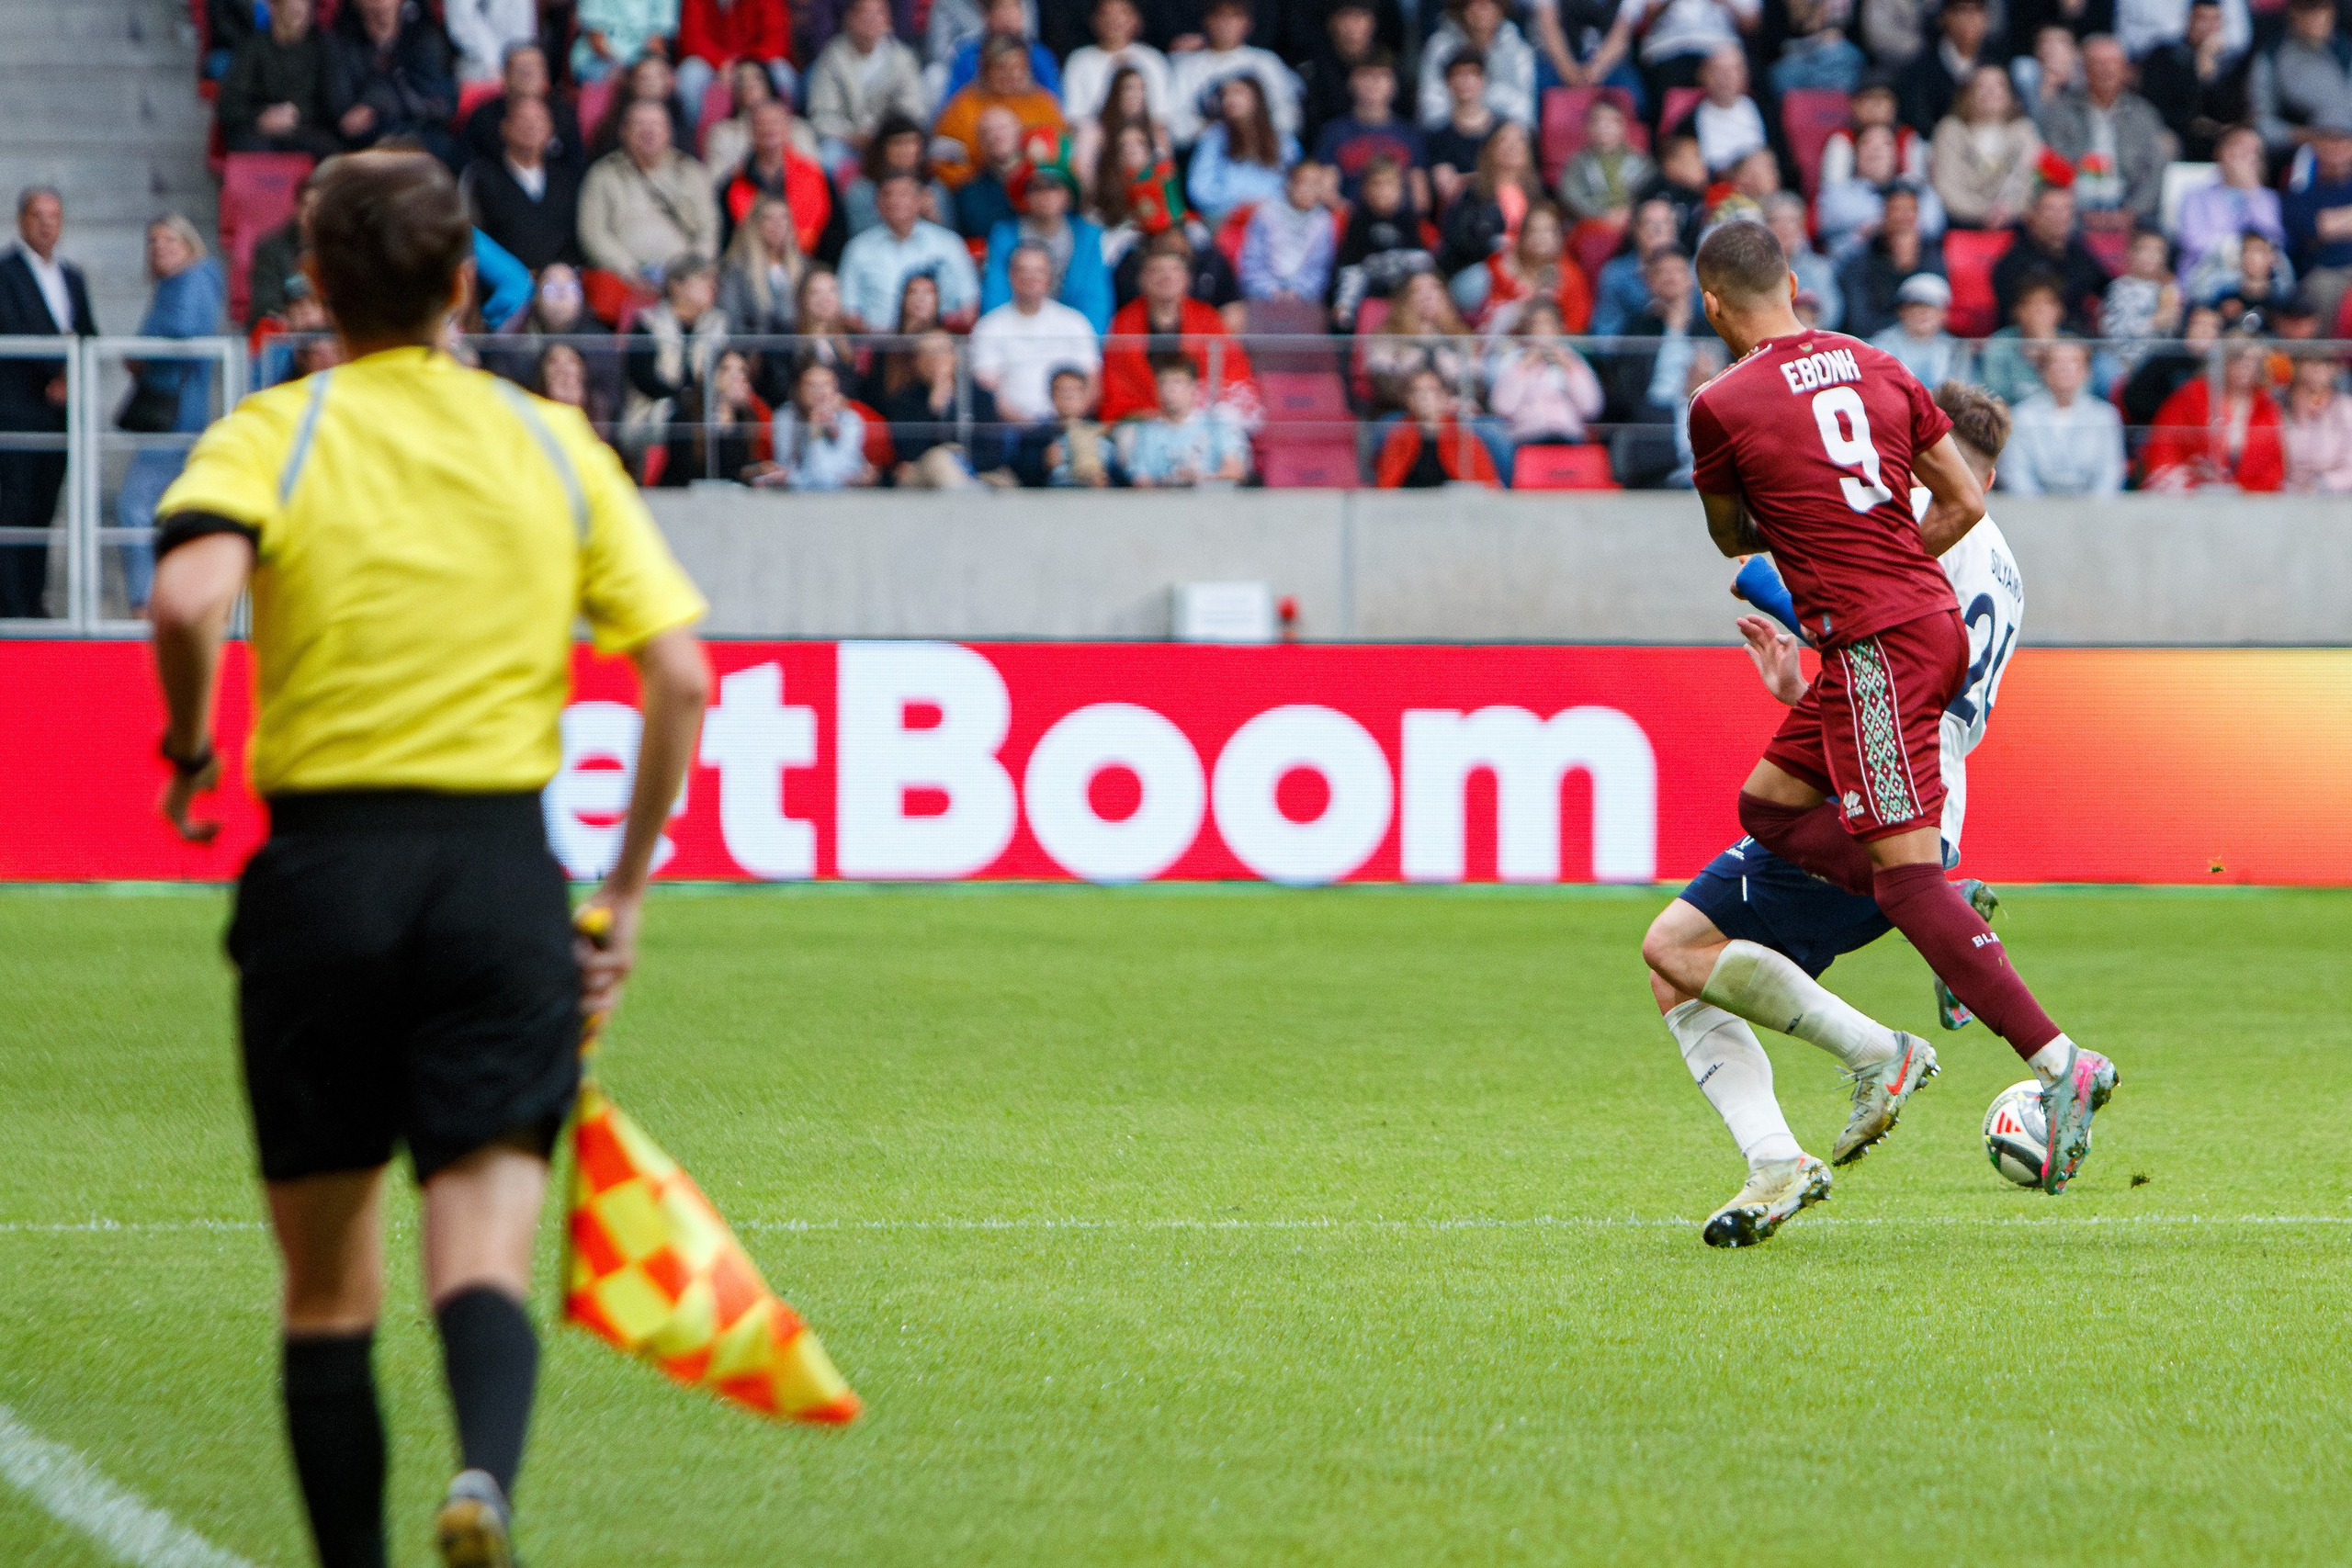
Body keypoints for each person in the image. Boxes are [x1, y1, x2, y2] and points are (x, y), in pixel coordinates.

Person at [145, 148, 708, 1567]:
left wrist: (190, 747)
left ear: (315, 287)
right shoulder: (552, 443)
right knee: (483, 1254)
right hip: (496, 880)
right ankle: (482, 1476)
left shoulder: (274, 429)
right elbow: (682, 676)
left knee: (329, 1288)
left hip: (325, 874)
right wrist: (625, 890)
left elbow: (187, 596)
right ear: (468, 284)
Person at [1683, 218, 2116, 1213]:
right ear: (1794, 281)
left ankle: (2056, 1056)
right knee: (1764, 803)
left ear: (1712, 305)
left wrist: (1832, 553)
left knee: (1872, 888)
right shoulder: (1879, 369)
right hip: (1900, 673)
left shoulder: (1725, 404)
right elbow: (1955, 504)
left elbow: (1731, 543)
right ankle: (1942, 922)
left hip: (1883, 657)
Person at [1644, 380, 2025, 1245]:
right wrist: (1801, 684)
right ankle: (1777, 1157)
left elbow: (1880, 633)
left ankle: (1877, 1055)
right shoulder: (2001, 562)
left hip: (1879, 797)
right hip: (1923, 793)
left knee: (1675, 948)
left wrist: (1778, 596)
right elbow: (1899, 662)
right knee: (1682, 962)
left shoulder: (1928, 524)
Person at [111, 218, 224, 616]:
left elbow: (182, 333)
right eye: (153, 240)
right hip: (174, 417)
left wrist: (141, 350)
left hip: (177, 419)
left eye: (170, 239)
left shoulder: (193, 279)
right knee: (168, 512)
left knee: (135, 507)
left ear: (190, 243)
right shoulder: (175, 286)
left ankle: (147, 606)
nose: (160, 247)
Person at [0, 187, 96, 621]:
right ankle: (12, 603)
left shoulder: (72, 276)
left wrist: (70, 376)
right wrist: (59, 372)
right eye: (38, 215)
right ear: (21, 220)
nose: (46, 224)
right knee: (14, 508)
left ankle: (32, 601)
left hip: (59, 416)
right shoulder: (4, 273)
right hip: (18, 413)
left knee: (44, 508)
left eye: (54, 215)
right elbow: (13, 327)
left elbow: (88, 332)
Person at [1099, 235, 1259, 423]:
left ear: (1187, 278)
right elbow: (1117, 383)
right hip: (1143, 418)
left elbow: (1231, 369)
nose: (1166, 277)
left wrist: (1188, 409)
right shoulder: (1124, 323)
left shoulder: (1207, 317)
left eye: (1175, 269)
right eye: (1156, 270)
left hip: (1199, 417)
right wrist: (1154, 414)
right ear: (1141, 280)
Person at [580, 98, 720, 287]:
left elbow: (709, 229)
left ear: (669, 132)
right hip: (623, 279)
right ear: (624, 132)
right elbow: (594, 234)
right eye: (639, 124)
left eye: (656, 124)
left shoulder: (690, 171)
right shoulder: (602, 174)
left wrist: (690, 271)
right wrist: (629, 270)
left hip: (686, 281)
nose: (648, 131)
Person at [2035, 34, 2176, 222]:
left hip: (2130, 214)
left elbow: (2153, 172)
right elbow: (2051, 163)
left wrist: (2131, 213)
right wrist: (2072, 209)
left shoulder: (2143, 115)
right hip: (2072, 213)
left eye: (2113, 63)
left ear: (2126, 70)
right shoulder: (2060, 111)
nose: (2106, 70)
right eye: (2098, 63)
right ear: (2084, 69)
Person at [972, 242, 1103, 423]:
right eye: (1023, 270)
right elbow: (989, 391)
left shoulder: (1075, 322)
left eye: (1038, 271)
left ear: (1050, 276)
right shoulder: (989, 326)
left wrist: (1065, 424)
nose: (1030, 278)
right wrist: (1029, 428)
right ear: (1010, 275)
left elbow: (1092, 383)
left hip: (1071, 427)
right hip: (1013, 434)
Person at [2142, 330, 2285, 489]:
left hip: (2250, 501)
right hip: (2194, 495)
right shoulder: (2192, 395)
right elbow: (2164, 443)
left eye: (2252, 361)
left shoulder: (2267, 407)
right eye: (2237, 358)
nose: (2245, 366)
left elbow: (2274, 464)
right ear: (2223, 362)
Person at [836, 171, 983, 327]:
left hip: (941, 343)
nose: (895, 201)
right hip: (878, 346)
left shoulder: (948, 244)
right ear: (877, 203)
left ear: (919, 200)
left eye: (903, 194)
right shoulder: (858, 249)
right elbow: (848, 311)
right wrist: (887, 344)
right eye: (888, 195)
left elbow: (969, 305)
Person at [981, 160, 1114, 329]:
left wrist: (1084, 344)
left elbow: (1095, 301)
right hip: (1016, 335)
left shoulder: (1087, 237)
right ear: (1025, 195)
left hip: (1071, 337)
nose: (1046, 194)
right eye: (1036, 188)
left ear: (1068, 194)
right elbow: (995, 294)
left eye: (1054, 186)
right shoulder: (1003, 236)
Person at [624, 255, 731, 457]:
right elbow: (643, 378)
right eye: (703, 278)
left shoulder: (719, 325)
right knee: (684, 420)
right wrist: (683, 400)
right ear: (676, 286)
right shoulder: (648, 323)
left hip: (706, 408)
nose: (712, 285)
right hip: (652, 412)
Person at [464, 96, 583, 271]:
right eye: (522, 119)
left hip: (560, 284)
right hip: (504, 282)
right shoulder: (481, 176)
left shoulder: (566, 178)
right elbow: (473, 237)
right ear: (504, 128)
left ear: (550, 130)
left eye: (538, 120)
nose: (530, 126)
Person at [331, 0, 458, 164]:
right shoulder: (341, 43)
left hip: (422, 135)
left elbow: (441, 104)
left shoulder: (424, 38)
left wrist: (376, 103)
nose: (380, 4)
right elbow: (345, 115)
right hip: (364, 143)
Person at [933, 36, 1069, 190]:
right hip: (982, 191)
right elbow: (942, 160)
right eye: (1000, 67)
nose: (1010, 74)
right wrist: (974, 183)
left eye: (1017, 67)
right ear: (985, 69)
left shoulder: (1043, 104)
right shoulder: (963, 106)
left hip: (1036, 189)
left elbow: (1064, 152)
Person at [807, 0, 929, 169]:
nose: (871, 20)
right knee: (828, 155)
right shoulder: (831, 59)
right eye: (864, 14)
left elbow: (912, 110)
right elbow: (822, 115)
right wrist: (853, 136)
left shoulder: (903, 59)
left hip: (889, 141)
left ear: (888, 20)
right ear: (849, 19)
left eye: (879, 13)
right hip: (847, 142)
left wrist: (882, 135)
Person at [884, 327, 1012, 486]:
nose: (935, 360)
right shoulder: (904, 400)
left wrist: (961, 458)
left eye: (940, 352)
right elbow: (910, 453)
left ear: (954, 356)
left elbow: (992, 451)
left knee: (1007, 482)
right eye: (927, 354)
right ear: (917, 362)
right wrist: (934, 411)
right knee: (940, 461)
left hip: (975, 471)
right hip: (927, 473)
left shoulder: (979, 396)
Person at [1166, 0, 1301, 149]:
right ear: (1206, 21)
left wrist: (1250, 130)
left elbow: (1289, 116)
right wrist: (1218, 132)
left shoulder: (1266, 62)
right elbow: (1175, 123)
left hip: (1262, 151)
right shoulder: (1187, 66)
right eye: (1219, 17)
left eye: (1234, 17)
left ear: (1247, 23)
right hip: (1204, 150)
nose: (1226, 24)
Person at [218, 0, 343, 156]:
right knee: (253, 151)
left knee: (328, 150)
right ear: (273, 8)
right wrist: (260, 118)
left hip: (305, 127)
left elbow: (333, 102)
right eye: (292, 13)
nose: (299, 18)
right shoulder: (252, 47)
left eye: (303, 12)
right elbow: (230, 102)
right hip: (257, 129)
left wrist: (295, 114)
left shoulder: (321, 46)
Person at [2001, 337, 2123, 494]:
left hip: (2094, 512)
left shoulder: (2105, 416)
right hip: (2034, 512)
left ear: (2086, 371)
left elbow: (2110, 474)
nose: (2065, 368)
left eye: (2074, 362)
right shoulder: (2022, 415)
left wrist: (2093, 514)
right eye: (2057, 362)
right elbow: (2016, 473)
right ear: (2043, 371)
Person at [1311, 50, 1430, 208]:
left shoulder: (1410, 134)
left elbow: (1420, 199)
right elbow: (1326, 192)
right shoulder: (1334, 132)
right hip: (1349, 222)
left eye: (1382, 76)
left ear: (1394, 84)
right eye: (1366, 75)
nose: (1374, 82)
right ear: (1351, 81)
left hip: (1399, 222)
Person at [1930, 65, 2041, 232]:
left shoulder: (2024, 132)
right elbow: (1947, 187)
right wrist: (1984, 213)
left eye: (1999, 85)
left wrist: (2011, 209)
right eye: (1981, 86)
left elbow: (2029, 181)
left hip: (2016, 226)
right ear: (1967, 94)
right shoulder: (1950, 131)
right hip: (1960, 226)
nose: (1991, 91)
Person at [2137, 0, 2252, 163]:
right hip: (2174, 132)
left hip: (2217, 138)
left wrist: (2208, 75)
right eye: (2203, 19)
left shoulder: (2231, 63)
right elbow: (2155, 105)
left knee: (2245, 143)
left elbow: (2229, 113)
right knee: (2163, 144)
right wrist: (2195, 70)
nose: (2209, 27)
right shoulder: (2164, 55)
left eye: (2215, 20)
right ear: (2189, 20)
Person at [716, 98, 835, 254]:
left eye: (775, 122)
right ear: (751, 131)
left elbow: (831, 237)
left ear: (788, 128)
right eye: (761, 123)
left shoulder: (815, 176)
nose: (769, 129)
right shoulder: (733, 185)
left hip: (808, 261)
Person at [1989, 180, 2109, 334]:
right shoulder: (2013, 263)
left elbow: (2106, 287)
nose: (2060, 217)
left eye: (2066, 209)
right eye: (2050, 210)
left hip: (2077, 340)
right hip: (2027, 342)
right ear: (2032, 214)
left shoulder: (2078, 252)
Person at [1816, 125, 1949, 261]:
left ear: (1896, 154)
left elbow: (1934, 221)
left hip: (1908, 267)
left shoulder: (1913, 187)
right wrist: (1897, 219)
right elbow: (1828, 219)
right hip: (1851, 267)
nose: (1876, 148)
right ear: (1856, 154)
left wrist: (1876, 226)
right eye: (1867, 142)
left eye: (1886, 143)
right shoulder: (1841, 190)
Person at [1485, 297, 1605, 444]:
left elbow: (1591, 408)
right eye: (1536, 324)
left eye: (1547, 323)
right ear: (1527, 329)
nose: (1541, 330)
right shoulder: (1512, 360)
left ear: (1558, 328)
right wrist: (1524, 366)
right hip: (1528, 436)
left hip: (1568, 434)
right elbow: (1502, 408)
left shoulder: (1572, 359)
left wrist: (1569, 367)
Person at [2174, 125, 2284, 285]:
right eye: (2242, 151)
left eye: (2255, 153)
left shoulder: (2266, 197)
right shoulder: (2195, 194)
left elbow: (2274, 240)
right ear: (2223, 152)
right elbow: (2194, 241)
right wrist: (2239, 252)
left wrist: (2252, 194)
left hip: (2255, 278)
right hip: (2207, 274)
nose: (2249, 158)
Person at [459, 44, 588, 178]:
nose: (527, 74)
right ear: (504, 75)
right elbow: (466, 169)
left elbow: (576, 166)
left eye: (533, 68)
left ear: (545, 75)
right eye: (520, 69)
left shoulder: (562, 114)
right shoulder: (484, 117)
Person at [1833, 181, 1943, 338]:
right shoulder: (1859, 261)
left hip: (1923, 345)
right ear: (1884, 214)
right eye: (1896, 210)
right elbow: (1860, 323)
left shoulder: (1931, 255)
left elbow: (1938, 310)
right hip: (1874, 346)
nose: (1904, 218)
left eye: (1910, 210)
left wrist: (1908, 266)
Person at [1437, 120, 1546, 279]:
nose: (1512, 146)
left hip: (1527, 268)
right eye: (1503, 140)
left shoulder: (1537, 195)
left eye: (1520, 140)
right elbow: (1457, 238)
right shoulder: (1473, 193)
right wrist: (1491, 245)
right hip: (1482, 270)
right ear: (1490, 148)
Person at [1329, 156, 1432, 323]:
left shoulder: (1409, 220)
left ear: (1401, 188)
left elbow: (1421, 264)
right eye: (1376, 184)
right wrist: (1344, 306)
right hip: (1368, 295)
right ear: (1365, 189)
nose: (1382, 191)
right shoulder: (1358, 222)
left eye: (1389, 184)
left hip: (1404, 293)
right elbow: (1350, 268)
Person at [1464, 198, 1594, 331]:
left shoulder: (1570, 276)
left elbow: (1577, 325)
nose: (1541, 238)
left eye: (1548, 231)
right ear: (1523, 236)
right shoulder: (1500, 267)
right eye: (1534, 231)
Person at [1121, 355, 1250, 485]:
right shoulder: (1147, 432)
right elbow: (1140, 481)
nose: (1169, 390)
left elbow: (1235, 471)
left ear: (1193, 387)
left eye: (1177, 382)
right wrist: (1171, 483)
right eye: (1163, 382)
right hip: (1163, 502)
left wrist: (1200, 480)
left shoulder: (1216, 426)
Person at [656, 345, 775, 482]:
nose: (737, 377)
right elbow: (688, 471)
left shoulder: (747, 420)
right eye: (726, 369)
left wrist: (756, 469)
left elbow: (738, 468)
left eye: (742, 370)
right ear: (711, 376)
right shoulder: (684, 418)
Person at [1363, 269, 1476, 414]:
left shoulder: (1460, 334)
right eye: (1418, 290)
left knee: (1491, 428)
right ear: (1406, 298)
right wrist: (1420, 402)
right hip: (1403, 413)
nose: (1428, 295)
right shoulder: (1388, 335)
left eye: (1434, 288)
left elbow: (1475, 385)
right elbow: (1384, 387)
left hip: (1453, 411)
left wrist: (1448, 401)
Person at [1187, 75, 1298, 221]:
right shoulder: (1213, 137)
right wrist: (1240, 207)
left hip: (1274, 217)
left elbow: (1296, 183)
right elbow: (1199, 190)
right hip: (1227, 218)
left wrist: (1267, 206)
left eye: (1238, 93)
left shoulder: (1283, 140)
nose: (1230, 99)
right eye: (1225, 95)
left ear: (1256, 97)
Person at [1417, 0, 1538, 130]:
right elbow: (1430, 109)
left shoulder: (1519, 52)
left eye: (1488, 3)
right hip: (1450, 136)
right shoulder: (1440, 47)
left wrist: (1483, 119)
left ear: (1500, 9)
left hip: (1503, 136)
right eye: (1473, 3)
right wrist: (1467, 123)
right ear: (1462, 10)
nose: (1480, 10)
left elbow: (1524, 113)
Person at [1374, 364, 1503, 486]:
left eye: (1430, 390)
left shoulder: (1462, 438)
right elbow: (1386, 486)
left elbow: (1486, 486)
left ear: (1444, 397)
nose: (1423, 397)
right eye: (1416, 391)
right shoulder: (1399, 437)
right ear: (1408, 399)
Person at [2280, 116, 2352, 333]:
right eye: (2328, 139)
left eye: (2343, 139)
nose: (2336, 146)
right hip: (2324, 269)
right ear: (2316, 145)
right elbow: (2313, 226)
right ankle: (2323, 360)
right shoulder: (2302, 184)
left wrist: (2331, 221)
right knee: (2321, 287)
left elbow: (2327, 225)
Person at [675, 0, 795, 130]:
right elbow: (692, 39)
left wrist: (744, 65)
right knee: (690, 73)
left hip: (755, 62)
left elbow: (776, 40)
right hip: (715, 65)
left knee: (783, 73)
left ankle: (784, 129)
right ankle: (696, 135)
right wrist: (721, 62)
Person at [2253, 0, 2352, 155]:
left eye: (2322, 9)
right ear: (2293, 14)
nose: (2316, 18)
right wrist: (2302, 136)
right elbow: (2262, 122)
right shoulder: (2273, 55)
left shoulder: (2345, 49)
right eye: (2308, 11)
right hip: (2300, 151)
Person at [1239, 160, 1340, 308]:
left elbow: (1320, 270)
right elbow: (1253, 263)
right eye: (1305, 183)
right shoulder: (1266, 214)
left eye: (1316, 184)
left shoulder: (1323, 221)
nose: (1310, 190)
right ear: (1290, 184)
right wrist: (1271, 291)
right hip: (1262, 298)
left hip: (1305, 302)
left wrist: (1298, 293)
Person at [1062, 0, 1173, 132]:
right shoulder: (1079, 60)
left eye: (1121, 13)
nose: (1113, 20)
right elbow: (1074, 114)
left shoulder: (1152, 59)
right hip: (1097, 137)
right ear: (1094, 21)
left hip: (1142, 136)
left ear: (1135, 19)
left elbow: (1160, 113)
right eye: (1106, 14)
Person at [767, 359, 875, 488]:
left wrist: (819, 426)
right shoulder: (785, 417)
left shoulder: (849, 419)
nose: (820, 392)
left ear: (836, 389)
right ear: (798, 389)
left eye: (825, 385)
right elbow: (787, 467)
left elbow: (827, 476)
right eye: (811, 385)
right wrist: (815, 427)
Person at [843, 114, 956, 236]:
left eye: (912, 142)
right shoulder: (862, 191)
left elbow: (952, 238)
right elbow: (861, 238)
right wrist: (897, 212)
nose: (905, 150)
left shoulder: (934, 187)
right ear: (882, 149)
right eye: (898, 143)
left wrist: (933, 216)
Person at [1894, 0, 1989, 135]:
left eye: (1977, 10)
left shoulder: (1996, 62)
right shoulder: (1921, 68)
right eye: (1961, 10)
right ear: (1944, 17)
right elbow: (1918, 119)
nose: (1970, 17)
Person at [1815, 78, 1928, 192]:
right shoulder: (1843, 139)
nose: (1877, 104)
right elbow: (1833, 190)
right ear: (1854, 105)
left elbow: (1917, 187)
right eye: (1869, 98)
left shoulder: (1907, 137)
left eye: (1884, 98)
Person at [1557, 96, 1656, 225]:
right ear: (1587, 127)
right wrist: (1603, 215)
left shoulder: (1642, 161)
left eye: (1611, 121)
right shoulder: (1577, 164)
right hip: (1592, 224)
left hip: (1634, 223)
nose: (1604, 127)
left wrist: (1630, 213)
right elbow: (1571, 196)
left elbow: (1652, 191)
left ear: (1623, 126)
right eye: (1597, 122)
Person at [1590, 195, 1679, 333]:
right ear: (1636, 230)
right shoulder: (1615, 275)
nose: (1658, 230)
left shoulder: (1694, 271)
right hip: (1633, 350)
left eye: (1666, 222)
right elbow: (1605, 338)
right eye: (1650, 224)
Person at [1976, 276, 2070, 408]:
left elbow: (2081, 395)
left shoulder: (2072, 345)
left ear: (2060, 310)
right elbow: (1994, 395)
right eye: (2031, 303)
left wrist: (2046, 350)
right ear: (2017, 310)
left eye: (2047, 302)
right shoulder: (2000, 344)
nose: (2039, 310)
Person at [1425, 50, 1498, 214]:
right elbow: (1448, 189)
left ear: (1484, 80)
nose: (1465, 81)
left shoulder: (1502, 132)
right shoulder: (1438, 137)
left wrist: (1465, 180)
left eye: (1472, 74)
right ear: (1448, 82)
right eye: (1458, 75)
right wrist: (1487, 178)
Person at [1678, 45, 1769, 175]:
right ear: (1703, 75)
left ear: (1745, 75)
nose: (1726, 77)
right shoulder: (1687, 123)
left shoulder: (1766, 111)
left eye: (1733, 70)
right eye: (1718, 70)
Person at [1868, 270, 1962, 385]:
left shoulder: (1953, 348)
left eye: (1931, 308)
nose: (1924, 313)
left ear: (1943, 314)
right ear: (1902, 311)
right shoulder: (1881, 345)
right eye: (1917, 306)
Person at [1030, 364, 1118, 486]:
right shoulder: (1040, 435)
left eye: (1074, 390)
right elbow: (1024, 476)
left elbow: (1120, 476)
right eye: (1061, 390)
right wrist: (1043, 463)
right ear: (1051, 395)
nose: (1068, 396)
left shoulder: (1102, 432)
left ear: (1085, 395)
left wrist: (1105, 481)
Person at [1764, 191, 1840, 330]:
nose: (1784, 228)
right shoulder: (1752, 269)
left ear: (1801, 226)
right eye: (1776, 220)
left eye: (1791, 221)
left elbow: (1831, 315)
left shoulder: (1819, 268)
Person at [956, 106, 1035, 240]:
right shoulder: (970, 192)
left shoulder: (1043, 178)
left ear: (1019, 132)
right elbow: (980, 231)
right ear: (980, 143)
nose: (997, 136)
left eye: (1003, 128)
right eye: (988, 132)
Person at [2282, 355, 2352, 491]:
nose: (2319, 367)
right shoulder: (2280, 406)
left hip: (2334, 496)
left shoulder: (2346, 408)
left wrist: (2321, 485)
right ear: (2297, 366)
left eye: (2326, 362)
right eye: (2311, 360)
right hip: (2286, 494)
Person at [572, 0, 682, 85]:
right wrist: (630, 71)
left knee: (662, 81)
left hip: (643, 60)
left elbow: (657, 42)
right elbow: (596, 40)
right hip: (597, 59)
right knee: (625, 80)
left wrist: (643, 69)